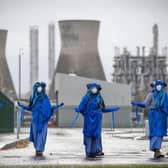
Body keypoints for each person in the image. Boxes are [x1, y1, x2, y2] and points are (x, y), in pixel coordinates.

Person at [18, 82, 64, 156]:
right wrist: (22, 106)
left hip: (43, 121)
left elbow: (49, 107)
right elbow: (30, 108)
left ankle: (40, 149)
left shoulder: (46, 98)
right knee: (35, 135)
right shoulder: (33, 98)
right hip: (35, 120)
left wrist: (58, 106)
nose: (39, 89)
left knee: (41, 135)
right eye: (38, 87)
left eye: (41, 87)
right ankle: (37, 148)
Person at [75, 82, 120, 159]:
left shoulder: (99, 98)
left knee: (96, 135)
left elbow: (103, 109)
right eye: (93, 88)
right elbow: (81, 108)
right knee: (89, 134)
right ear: (89, 89)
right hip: (88, 120)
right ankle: (89, 151)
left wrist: (112, 109)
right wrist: (79, 110)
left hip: (97, 120)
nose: (94, 89)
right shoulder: (85, 98)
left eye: (95, 88)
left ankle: (96, 151)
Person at [131, 80, 168, 159]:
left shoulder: (165, 95)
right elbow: (145, 104)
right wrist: (137, 103)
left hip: (162, 116)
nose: (159, 86)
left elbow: (166, 106)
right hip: (153, 116)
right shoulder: (151, 95)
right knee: (155, 133)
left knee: (160, 133)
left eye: (160, 85)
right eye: (157, 85)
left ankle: (157, 150)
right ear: (155, 86)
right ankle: (156, 149)